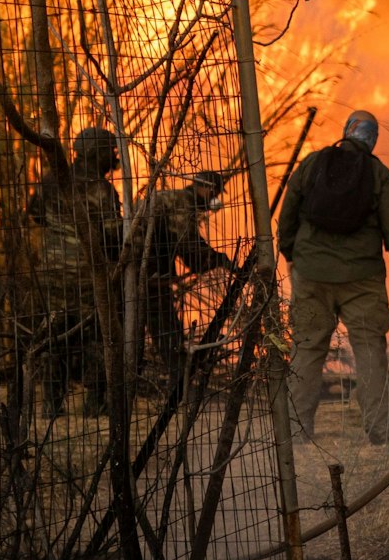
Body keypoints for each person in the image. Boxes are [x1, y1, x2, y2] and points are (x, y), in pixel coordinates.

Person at [278, 110, 389, 445]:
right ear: (373, 141)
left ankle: (297, 431)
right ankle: (381, 431)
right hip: (362, 279)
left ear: (346, 131)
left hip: (311, 275)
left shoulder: (314, 163)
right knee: (369, 349)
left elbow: (288, 213)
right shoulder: (379, 174)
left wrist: (292, 254)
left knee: (307, 348)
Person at [26, 126, 123, 416]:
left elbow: (35, 213)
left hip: (51, 272)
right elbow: (112, 237)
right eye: (109, 151)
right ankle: (95, 403)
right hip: (86, 275)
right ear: (97, 153)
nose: (113, 158)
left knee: (53, 337)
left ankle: (52, 405)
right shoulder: (101, 189)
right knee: (95, 335)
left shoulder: (52, 180)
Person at [142, 171, 237, 390]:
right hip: (146, 272)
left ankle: (178, 382)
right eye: (214, 192)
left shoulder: (176, 200)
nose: (214, 198)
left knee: (163, 327)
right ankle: (179, 386)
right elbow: (188, 246)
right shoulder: (182, 203)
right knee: (166, 330)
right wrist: (216, 259)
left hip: (148, 270)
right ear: (206, 188)